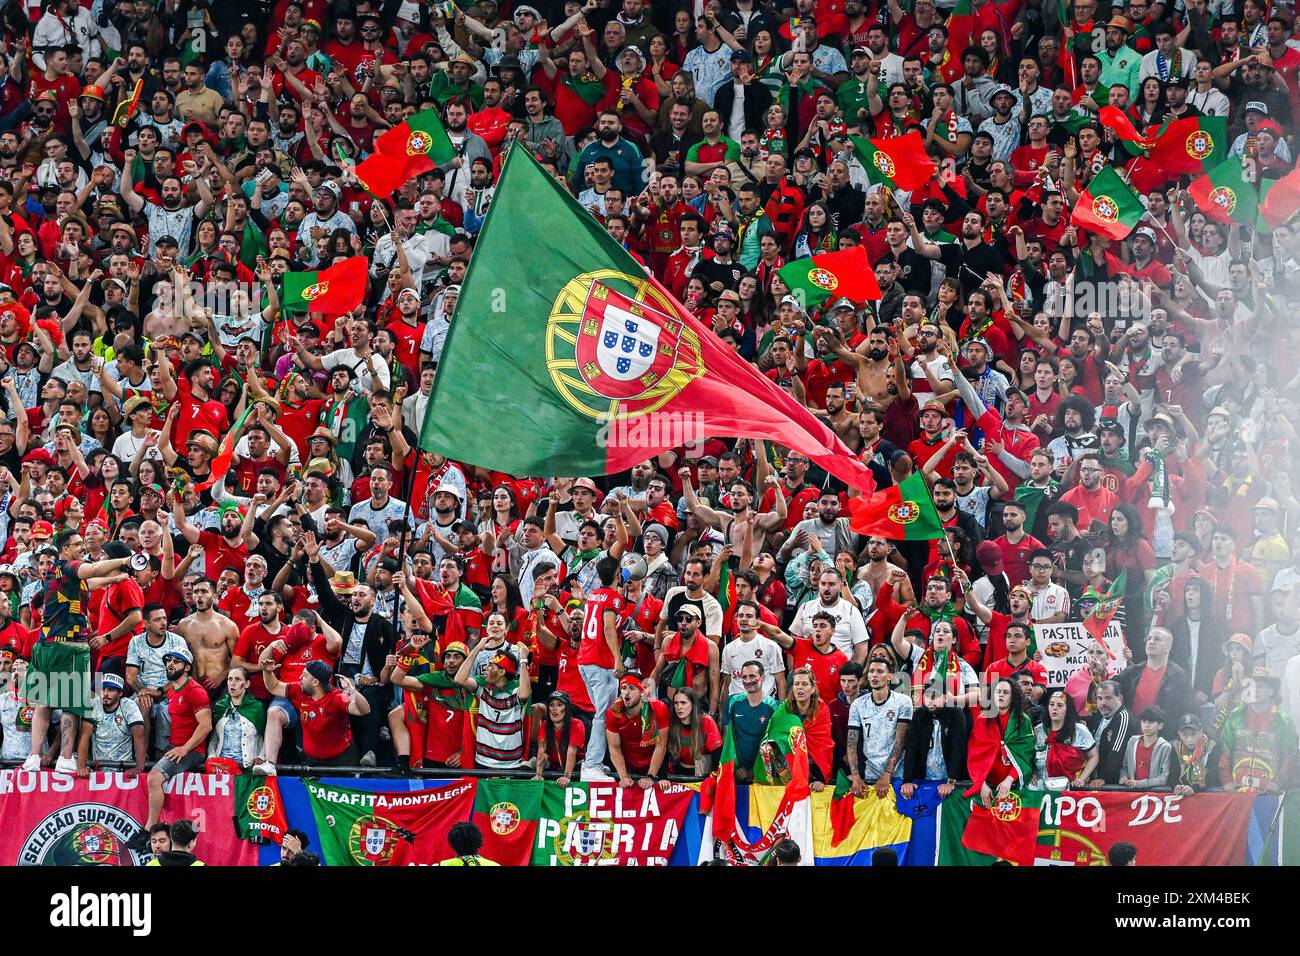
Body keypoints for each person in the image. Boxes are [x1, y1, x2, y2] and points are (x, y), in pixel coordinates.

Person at [128, 647, 211, 852]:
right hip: (175, 745)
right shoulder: (173, 688)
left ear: (187, 667)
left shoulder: (195, 691)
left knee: (154, 778)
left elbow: (206, 725)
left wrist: (184, 749)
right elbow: (162, 691)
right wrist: (150, 692)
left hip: (192, 750)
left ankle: (149, 831)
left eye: (176, 661)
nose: (170, 664)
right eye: (168, 660)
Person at [453, 635, 531, 770]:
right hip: (482, 762)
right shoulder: (483, 687)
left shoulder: (516, 689)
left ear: (501, 672)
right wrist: (477, 648)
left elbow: (524, 694)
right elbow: (459, 679)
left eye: (491, 665)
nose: (485, 668)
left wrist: (523, 660)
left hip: (511, 765)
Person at [846, 656, 911, 798]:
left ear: (889, 676)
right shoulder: (858, 704)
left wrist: (887, 774)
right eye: (871, 671)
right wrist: (855, 775)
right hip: (870, 774)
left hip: (897, 774)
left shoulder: (903, 702)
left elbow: (901, 741)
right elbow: (851, 743)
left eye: (880, 671)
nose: (874, 675)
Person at [1034, 690, 1098, 789]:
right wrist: (1031, 774)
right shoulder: (1038, 731)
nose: (1054, 708)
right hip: (1041, 789)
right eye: (1051, 704)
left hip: (1071, 790)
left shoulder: (1079, 730)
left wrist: (1081, 778)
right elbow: (1029, 757)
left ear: (1067, 709)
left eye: (1059, 705)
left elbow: (1094, 756)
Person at [1119, 705, 1174, 789]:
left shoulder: (1165, 747)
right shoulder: (1132, 741)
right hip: (1130, 792)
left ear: (1160, 725)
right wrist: (1123, 777)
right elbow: (1124, 767)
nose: (1146, 725)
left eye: (1151, 722)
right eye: (1144, 721)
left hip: (1153, 795)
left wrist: (1139, 784)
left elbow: (1163, 778)